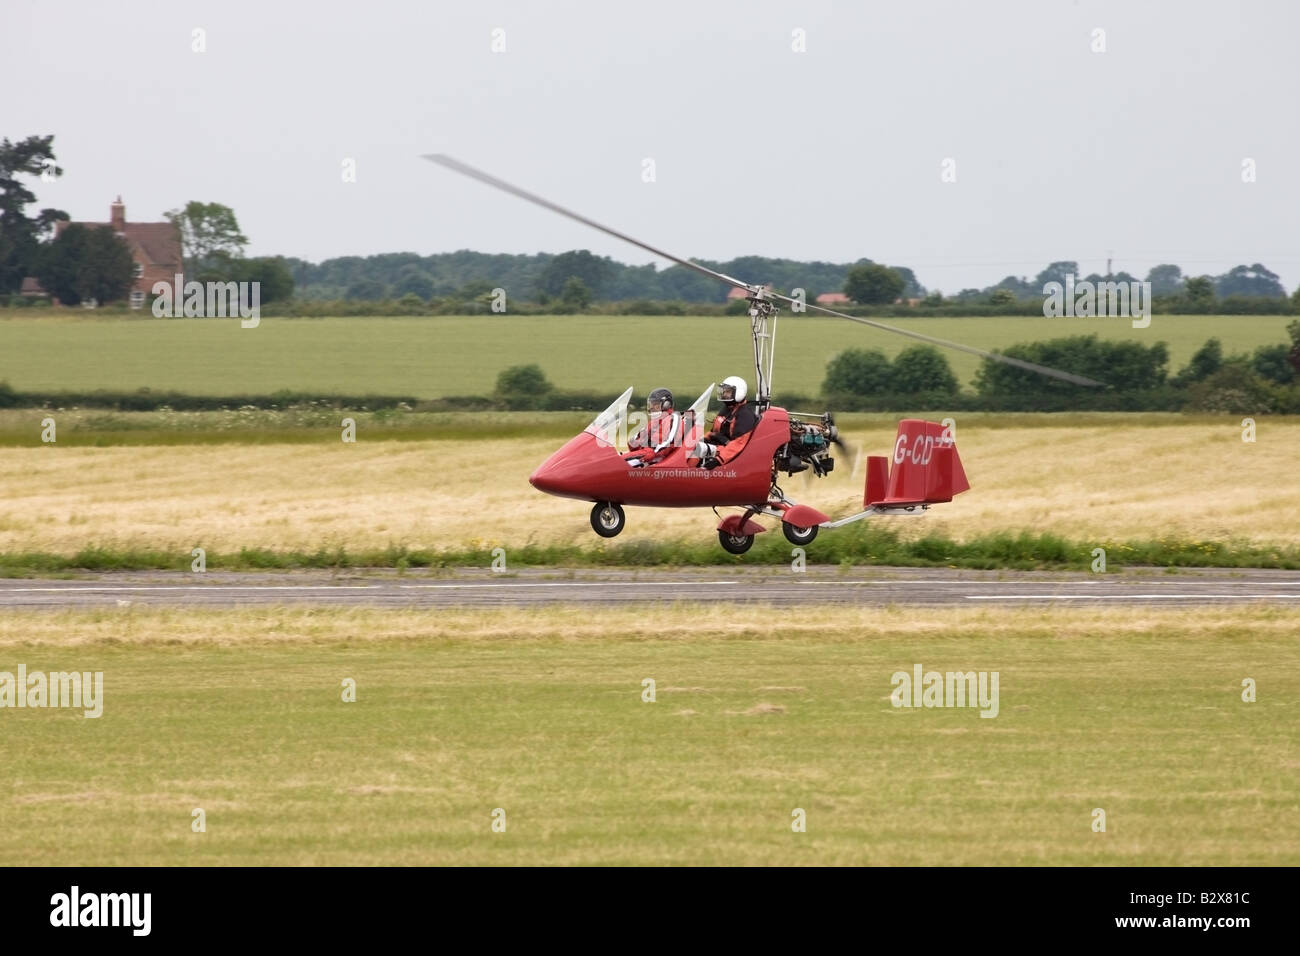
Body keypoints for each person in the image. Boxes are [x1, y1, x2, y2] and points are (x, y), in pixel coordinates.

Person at [692, 376, 760, 468]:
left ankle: (684, 474)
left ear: (739, 393)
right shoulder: (727, 409)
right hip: (718, 446)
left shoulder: (744, 415)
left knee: (696, 451)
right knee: (689, 447)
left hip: (726, 453)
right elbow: (714, 432)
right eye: (724, 391)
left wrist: (718, 460)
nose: (724, 394)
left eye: (728, 392)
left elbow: (738, 444)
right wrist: (702, 439)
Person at [624, 387, 682, 467]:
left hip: (657, 457)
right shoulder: (654, 421)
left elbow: (671, 441)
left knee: (618, 464)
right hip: (646, 454)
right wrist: (634, 442)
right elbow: (636, 439)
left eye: (655, 404)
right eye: (651, 404)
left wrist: (654, 452)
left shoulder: (674, 418)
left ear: (666, 404)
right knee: (614, 459)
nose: (652, 408)